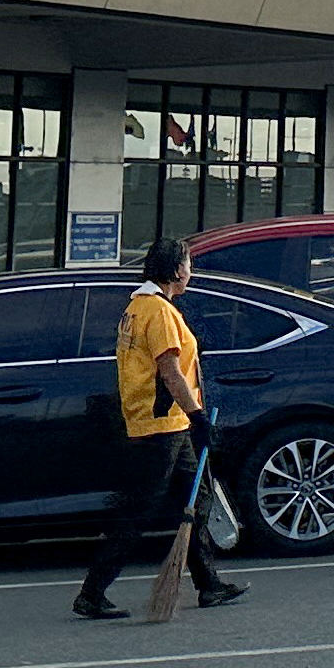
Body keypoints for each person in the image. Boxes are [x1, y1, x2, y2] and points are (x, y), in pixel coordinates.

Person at [74, 240, 244, 620]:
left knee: (194, 502)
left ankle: (209, 584)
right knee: (140, 509)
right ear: (175, 271)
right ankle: (93, 591)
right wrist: (197, 413)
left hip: (167, 423)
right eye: (188, 265)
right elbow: (169, 371)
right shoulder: (158, 312)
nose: (191, 272)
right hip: (161, 425)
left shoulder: (137, 308)